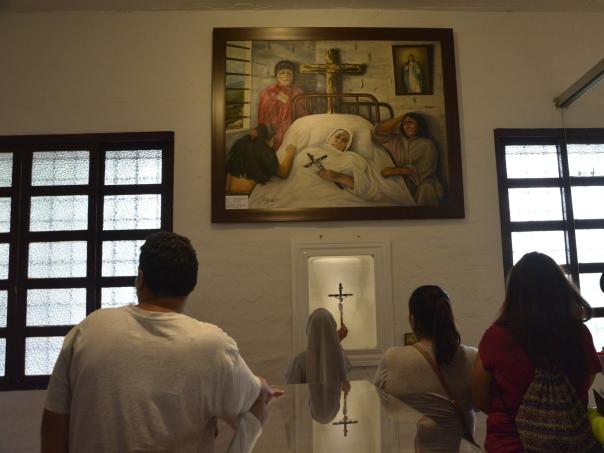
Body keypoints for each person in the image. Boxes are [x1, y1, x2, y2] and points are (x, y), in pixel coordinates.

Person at [41, 232, 282, 453]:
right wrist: (260, 385)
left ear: (141, 278)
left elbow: (54, 423)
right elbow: (254, 400)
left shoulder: (88, 330)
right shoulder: (212, 345)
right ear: (191, 286)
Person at [472, 252, 601, 452]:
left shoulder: (496, 337)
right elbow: (587, 379)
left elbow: (480, 397)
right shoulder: (578, 332)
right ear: (560, 288)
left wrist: (520, 413)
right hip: (571, 442)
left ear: (514, 292)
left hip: (510, 442)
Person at [374, 285, 476, 441]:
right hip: (461, 447)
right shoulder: (472, 357)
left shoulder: (392, 359)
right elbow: (480, 405)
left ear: (412, 320)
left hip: (407, 446)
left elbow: (381, 405)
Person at [372, 112, 444, 205]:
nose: (407, 125)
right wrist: (402, 117)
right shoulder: (395, 139)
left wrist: (395, 171)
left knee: (427, 188)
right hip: (397, 180)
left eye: (411, 122)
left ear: (419, 125)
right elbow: (377, 132)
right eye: (405, 123)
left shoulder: (427, 144)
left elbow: (424, 170)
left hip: (420, 181)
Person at [285, 308, 351, 384]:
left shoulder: (299, 362)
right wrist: (336, 340)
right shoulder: (341, 359)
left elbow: (292, 389)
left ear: (309, 330)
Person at [257, 60, 307, 151]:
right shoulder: (268, 92)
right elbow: (262, 117)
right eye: (282, 73)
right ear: (276, 75)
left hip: (293, 131)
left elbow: (303, 116)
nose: (285, 76)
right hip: (271, 133)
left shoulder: (298, 93)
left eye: (289, 73)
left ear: (293, 76)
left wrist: (289, 103)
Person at [225, 124, 279, 194]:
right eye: (273, 139)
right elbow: (283, 172)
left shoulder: (243, 145)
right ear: (268, 140)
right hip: (245, 195)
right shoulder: (263, 153)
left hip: (231, 194)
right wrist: (289, 152)